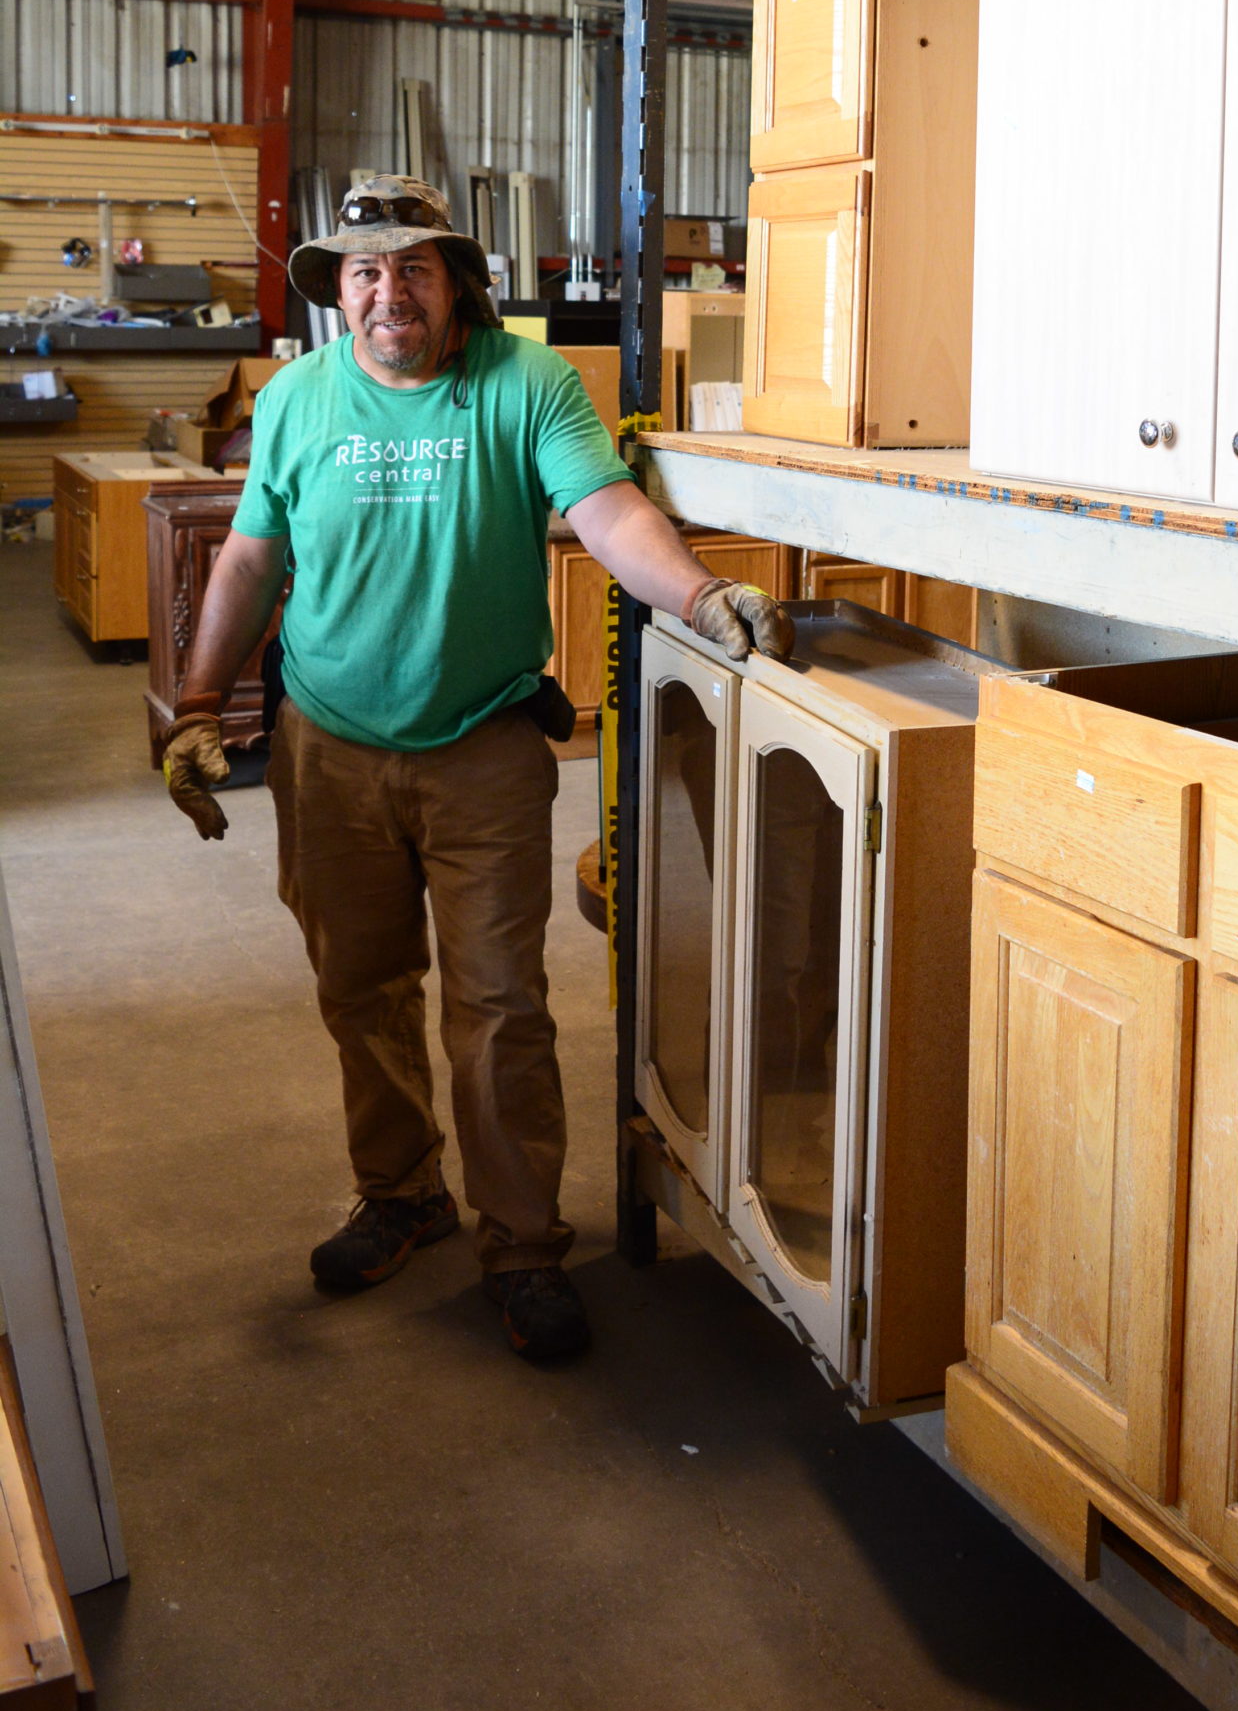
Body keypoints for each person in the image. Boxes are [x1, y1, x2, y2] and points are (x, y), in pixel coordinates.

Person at [159, 176, 791, 1363]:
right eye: (361, 271)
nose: (385, 291)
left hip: (484, 746)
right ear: (336, 293)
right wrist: (199, 699)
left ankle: (522, 1244)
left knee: (498, 1008)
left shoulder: (527, 383)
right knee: (360, 985)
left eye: (412, 269)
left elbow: (605, 512)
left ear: (457, 283)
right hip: (329, 748)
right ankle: (401, 1192)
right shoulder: (297, 397)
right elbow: (250, 557)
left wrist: (702, 595)